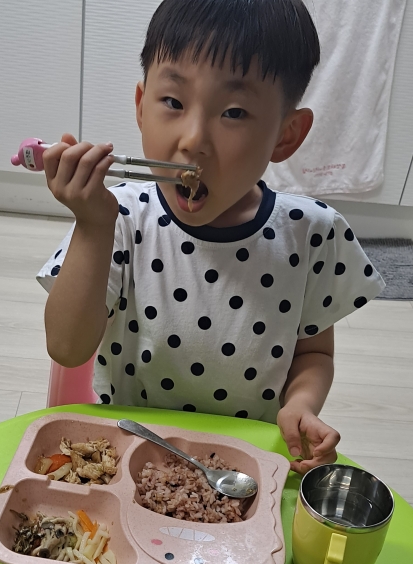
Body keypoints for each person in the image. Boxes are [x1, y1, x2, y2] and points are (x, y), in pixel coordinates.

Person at [36, 0, 385, 474]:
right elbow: (66, 347)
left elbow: (314, 353)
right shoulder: (118, 216)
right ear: (141, 105)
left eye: (234, 112)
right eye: (173, 103)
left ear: (286, 135)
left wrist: (301, 404)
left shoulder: (311, 236)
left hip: (242, 463)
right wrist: (92, 225)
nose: (193, 140)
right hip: (129, 454)